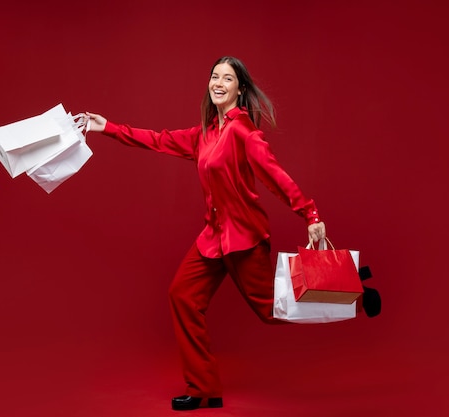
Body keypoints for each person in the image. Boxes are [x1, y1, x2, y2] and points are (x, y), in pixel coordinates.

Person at [83, 56, 326, 411]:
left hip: (244, 239)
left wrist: (310, 213)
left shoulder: (244, 132)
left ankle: (353, 293)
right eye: (215, 76)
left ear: (239, 89)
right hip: (214, 239)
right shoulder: (206, 133)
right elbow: (159, 140)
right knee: (182, 296)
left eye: (227, 79)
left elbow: (275, 175)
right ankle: (203, 389)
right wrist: (108, 128)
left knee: (275, 311)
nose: (218, 83)